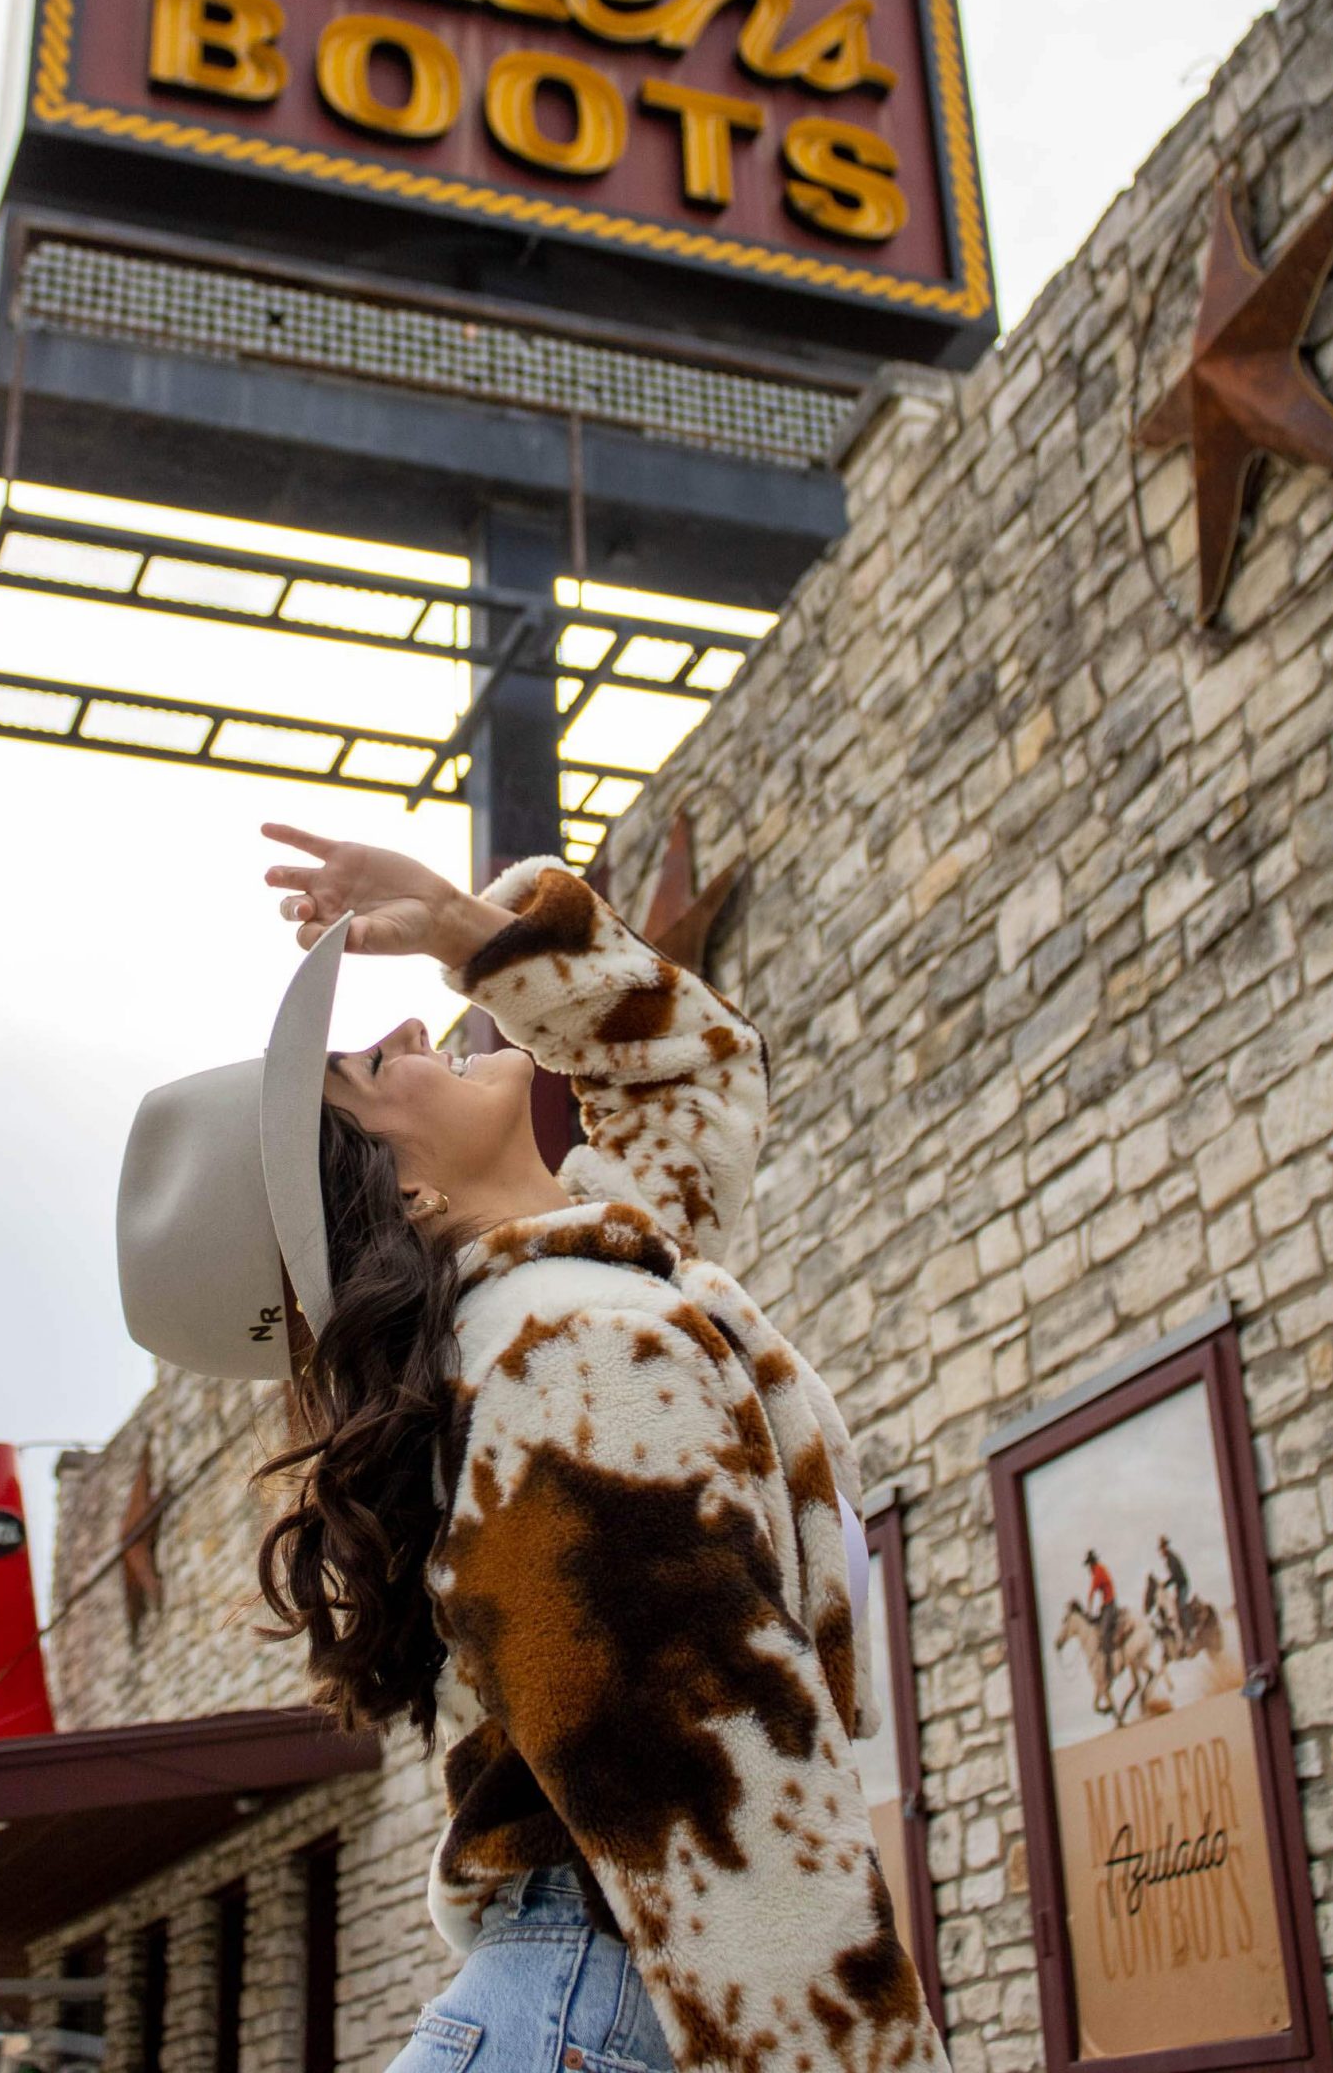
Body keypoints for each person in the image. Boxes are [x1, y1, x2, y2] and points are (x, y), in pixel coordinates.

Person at [116, 826, 948, 2073]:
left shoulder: (579, 1292)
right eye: (365, 1068)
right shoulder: (563, 1356)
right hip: (626, 1999)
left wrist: (464, 926)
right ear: (395, 1195)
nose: (409, 1031)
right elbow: (720, 1806)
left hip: (596, 2001)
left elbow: (696, 1071)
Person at [1084, 1549, 1121, 1683]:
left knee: (1104, 1632)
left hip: (1110, 1605)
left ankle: (1110, 1668)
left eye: (1089, 1564)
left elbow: (1092, 1592)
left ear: (1092, 1563)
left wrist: (1088, 1611)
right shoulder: (1099, 1570)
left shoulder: (1098, 1571)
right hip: (1107, 1604)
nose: (1089, 1568)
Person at [1157, 1535, 1192, 1651]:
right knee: (1175, 1607)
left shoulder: (1171, 1558)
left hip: (1183, 1585)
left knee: (1181, 1607)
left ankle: (1188, 1633)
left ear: (1165, 1547)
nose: (1161, 1551)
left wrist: (1165, 1584)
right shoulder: (1169, 1559)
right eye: (1161, 1548)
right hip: (1180, 1586)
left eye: (1162, 1548)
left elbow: (1175, 1576)